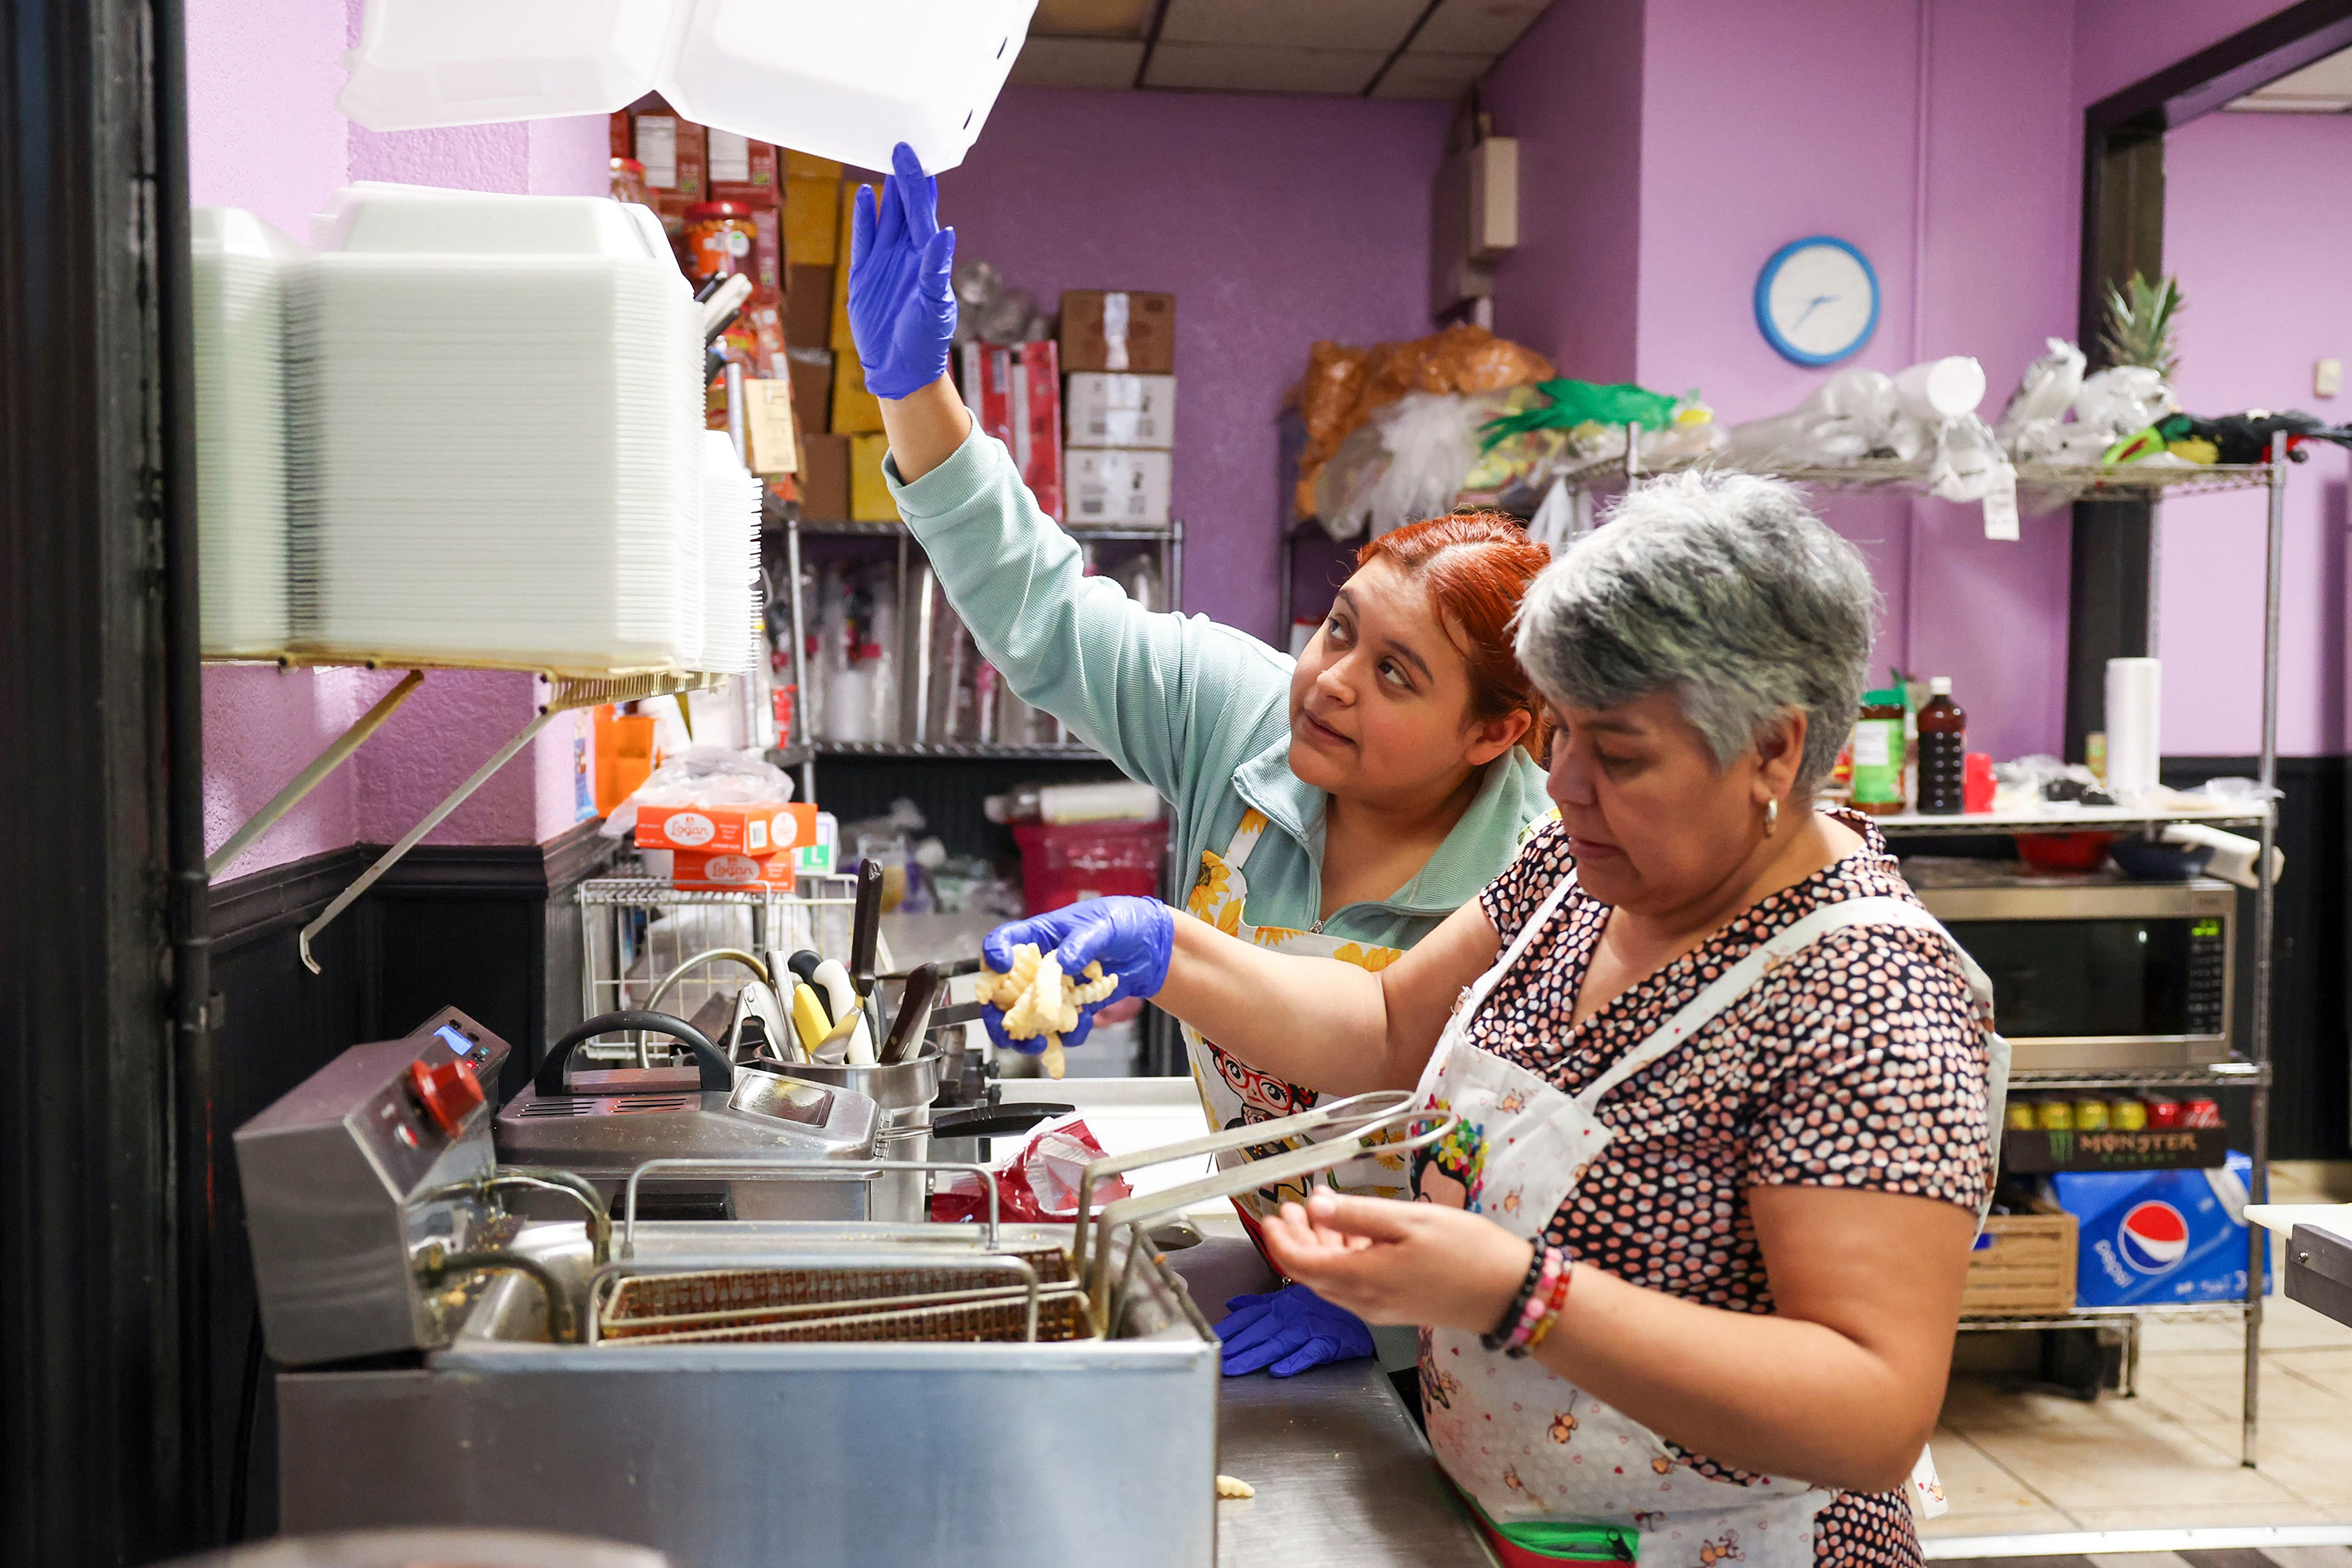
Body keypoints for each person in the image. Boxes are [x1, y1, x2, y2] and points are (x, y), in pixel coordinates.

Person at [985, 471, 1998, 1568]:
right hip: (1509, 1523)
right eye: (1558, 734)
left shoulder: (1867, 995)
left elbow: (1871, 1408)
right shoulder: (1581, 867)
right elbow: (1381, 1021)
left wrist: (1521, 1294)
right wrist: (1167, 949)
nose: (1561, 784)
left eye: (1618, 755)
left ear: (1775, 751)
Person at [846, 145, 1557, 1377]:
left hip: (1481, 1349)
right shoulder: (1251, 721)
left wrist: (1394, 1317)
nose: (1332, 680)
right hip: (1282, 1270)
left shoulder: (1546, 871)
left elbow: (1555, 1190)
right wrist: (916, 396)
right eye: (1341, 627)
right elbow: (1046, 615)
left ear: (1496, 732)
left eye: (1398, 674)